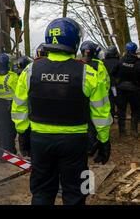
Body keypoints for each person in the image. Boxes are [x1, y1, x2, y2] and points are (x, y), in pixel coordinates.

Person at [11, 17, 112, 205]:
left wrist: (22, 133)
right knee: (76, 193)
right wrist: (104, 140)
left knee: (41, 192)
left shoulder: (30, 71)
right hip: (75, 143)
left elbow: (18, 107)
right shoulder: (88, 73)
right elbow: (101, 112)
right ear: (74, 41)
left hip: (40, 141)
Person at [80, 41, 111, 153]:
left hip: (81, 101)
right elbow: (105, 83)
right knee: (93, 124)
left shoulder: (78, 64)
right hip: (96, 99)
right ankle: (91, 147)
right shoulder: (99, 65)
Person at [0, 53, 18, 153]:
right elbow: (18, 93)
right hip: (10, 106)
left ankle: (2, 149)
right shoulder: (12, 77)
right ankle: (10, 152)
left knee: (2, 129)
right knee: (10, 130)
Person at [115, 42, 140, 138]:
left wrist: (118, 82)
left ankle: (122, 132)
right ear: (135, 50)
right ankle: (134, 130)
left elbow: (114, 73)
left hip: (121, 89)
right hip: (135, 90)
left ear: (126, 50)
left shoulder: (120, 61)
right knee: (136, 110)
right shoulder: (138, 62)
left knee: (121, 110)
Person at [103, 46, 120, 119]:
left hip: (105, 85)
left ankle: (110, 116)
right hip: (115, 85)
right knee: (115, 100)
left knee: (108, 100)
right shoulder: (119, 62)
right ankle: (114, 115)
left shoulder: (102, 62)